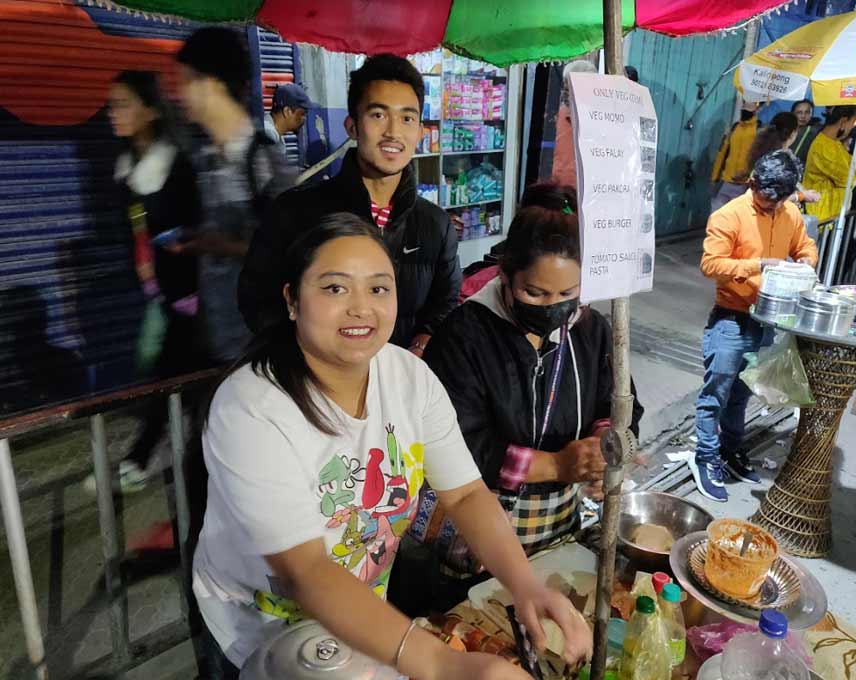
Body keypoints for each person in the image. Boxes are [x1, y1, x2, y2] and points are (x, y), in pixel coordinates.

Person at [193, 213, 592, 678]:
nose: (361, 308)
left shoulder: (409, 378)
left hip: (361, 615)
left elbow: (464, 494)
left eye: (379, 288)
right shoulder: (250, 409)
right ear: (292, 300)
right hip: (259, 626)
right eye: (335, 288)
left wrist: (526, 586)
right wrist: (442, 664)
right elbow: (307, 571)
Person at [395, 191, 644, 613]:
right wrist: (558, 465)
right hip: (476, 524)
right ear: (506, 276)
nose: (554, 307)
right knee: (477, 620)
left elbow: (621, 405)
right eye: (535, 293)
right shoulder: (464, 335)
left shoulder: (592, 329)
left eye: (569, 292)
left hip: (558, 520)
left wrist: (604, 454)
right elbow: (458, 444)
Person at [239, 54, 461, 355]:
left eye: (407, 118)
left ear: (420, 132)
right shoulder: (295, 212)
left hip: (398, 388)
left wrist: (424, 339)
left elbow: (446, 301)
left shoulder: (435, 224)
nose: (393, 133)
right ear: (352, 126)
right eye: (378, 115)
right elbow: (258, 301)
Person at [87, 70, 203, 493]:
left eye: (122, 104)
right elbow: (136, 230)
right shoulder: (128, 169)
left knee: (170, 376)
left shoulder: (178, 165)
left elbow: (202, 231)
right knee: (168, 374)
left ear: (151, 110)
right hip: (159, 293)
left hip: (192, 296)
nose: (112, 113)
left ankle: (142, 458)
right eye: (111, 105)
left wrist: (191, 281)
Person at [692, 151, 818, 502]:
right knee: (716, 391)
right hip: (731, 316)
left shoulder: (790, 212)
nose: (772, 207)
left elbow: (805, 247)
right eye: (766, 200)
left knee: (743, 392)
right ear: (753, 183)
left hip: (767, 319)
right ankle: (705, 456)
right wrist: (758, 264)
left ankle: (731, 450)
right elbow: (710, 263)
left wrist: (805, 264)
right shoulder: (728, 216)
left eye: (780, 200)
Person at [174, 27, 296, 366]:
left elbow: (293, 249)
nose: (179, 94)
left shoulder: (264, 161)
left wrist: (221, 245)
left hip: (259, 351)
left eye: (185, 82)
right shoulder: (204, 159)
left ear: (211, 85)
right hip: (218, 343)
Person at [803, 105, 856, 223]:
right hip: (822, 215)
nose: (852, 127)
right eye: (853, 122)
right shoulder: (824, 147)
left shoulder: (835, 144)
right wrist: (854, 174)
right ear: (843, 121)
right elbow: (848, 179)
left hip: (833, 214)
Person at [552, 59, 597, 189]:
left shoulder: (601, 124)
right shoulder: (558, 116)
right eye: (565, 89)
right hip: (557, 197)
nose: (566, 94)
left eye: (570, 89)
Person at [710, 101, 760, 211]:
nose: (746, 107)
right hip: (726, 181)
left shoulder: (759, 130)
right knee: (716, 216)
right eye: (744, 104)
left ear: (757, 108)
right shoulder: (735, 127)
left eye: (750, 105)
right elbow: (722, 152)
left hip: (745, 185)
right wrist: (714, 177)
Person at [263, 83, 313, 156]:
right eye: (302, 114)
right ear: (287, 112)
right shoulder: (268, 135)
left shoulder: (274, 133)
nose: (304, 119)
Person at [788, 99, 821, 165]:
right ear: (792, 113)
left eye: (807, 112)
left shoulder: (815, 133)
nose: (803, 116)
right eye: (799, 112)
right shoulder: (784, 130)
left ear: (812, 114)